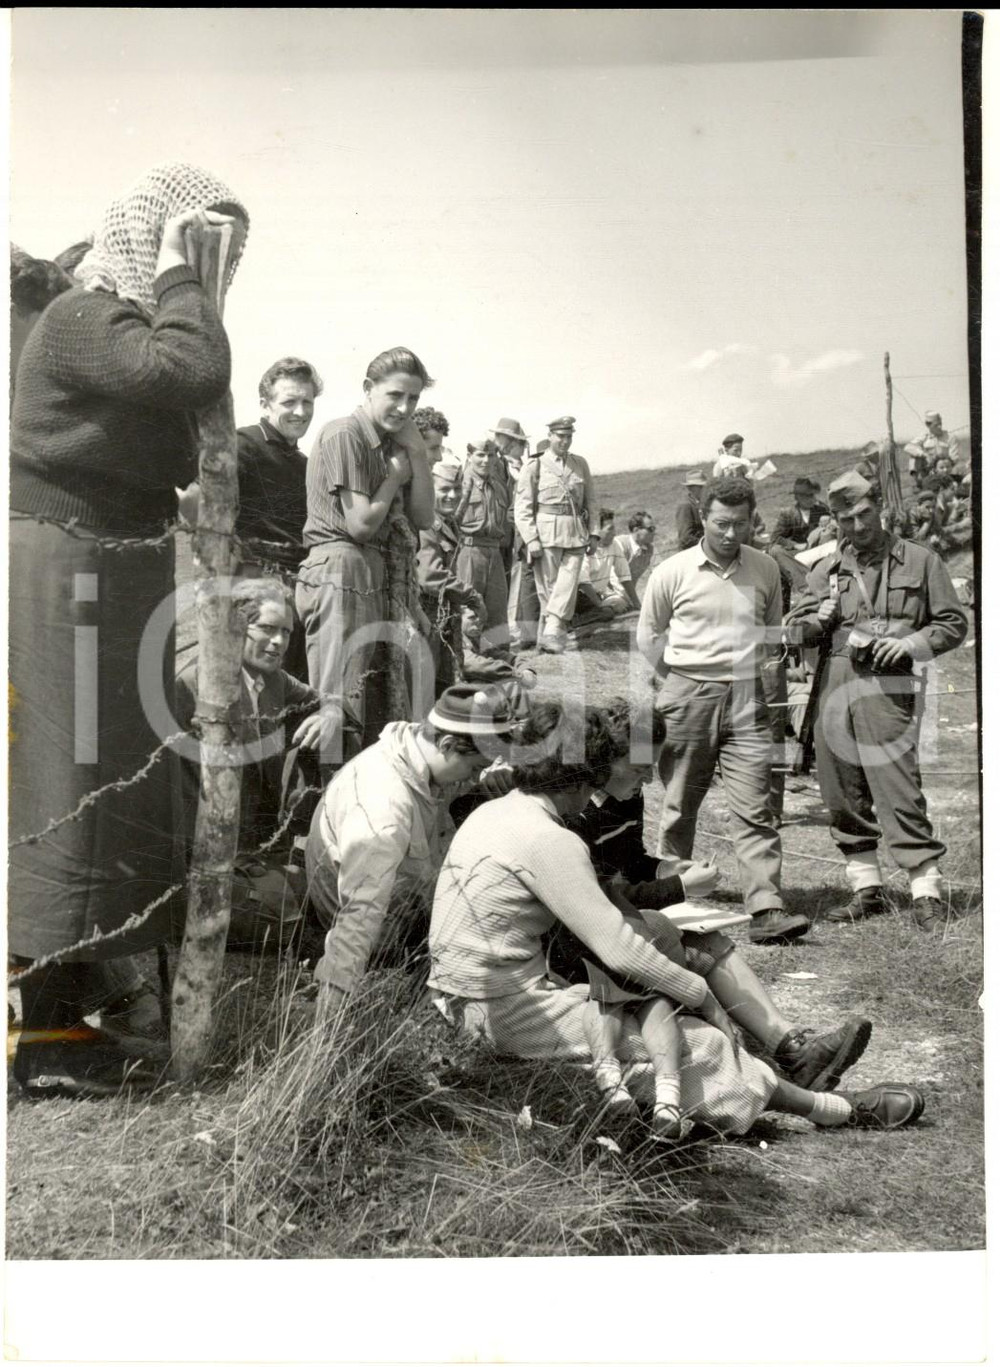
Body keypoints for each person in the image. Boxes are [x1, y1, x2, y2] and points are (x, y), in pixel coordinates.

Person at [9, 162, 249, 1097]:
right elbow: (188, 367)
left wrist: (189, 289)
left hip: (116, 569)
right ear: (146, 239)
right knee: (62, 793)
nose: (208, 265)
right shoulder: (83, 318)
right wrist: (187, 280)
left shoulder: (127, 327)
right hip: (66, 566)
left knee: (113, 791)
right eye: (195, 240)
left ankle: (77, 1015)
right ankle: (41, 1033)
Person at [428, 702, 925, 1135]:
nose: (596, 795)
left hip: (463, 998)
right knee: (698, 1042)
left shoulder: (497, 813)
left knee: (647, 1019)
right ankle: (829, 1110)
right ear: (581, 777)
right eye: (597, 778)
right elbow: (618, 946)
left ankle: (780, 1084)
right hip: (496, 1013)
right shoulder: (549, 839)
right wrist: (701, 994)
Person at [551, 700, 874, 1103]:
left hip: (613, 925)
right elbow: (598, 897)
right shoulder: (576, 813)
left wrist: (668, 868)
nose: (648, 780)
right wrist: (681, 889)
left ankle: (792, 1047)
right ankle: (789, 1054)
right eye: (637, 769)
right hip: (579, 945)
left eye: (651, 767)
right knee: (702, 945)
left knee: (707, 941)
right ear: (604, 764)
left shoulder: (624, 797)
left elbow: (630, 862)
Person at [786, 471, 968, 930]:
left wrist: (911, 644)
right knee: (840, 789)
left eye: (865, 514)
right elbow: (796, 628)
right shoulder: (825, 568)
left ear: (880, 508)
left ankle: (926, 890)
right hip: (834, 680)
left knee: (897, 786)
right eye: (846, 518)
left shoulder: (920, 561)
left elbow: (951, 623)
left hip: (889, 684)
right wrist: (816, 620)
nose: (858, 525)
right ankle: (866, 888)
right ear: (835, 519)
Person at [636, 476, 809, 945]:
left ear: (754, 520)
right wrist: (678, 679)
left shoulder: (766, 568)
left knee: (756, 806)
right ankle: (672, 903)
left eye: (741, 524)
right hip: (689, 694)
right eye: (721, 524)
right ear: (704, 517)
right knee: (680, 805)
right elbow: (649, 636)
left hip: (749, 697)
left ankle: (767, 908)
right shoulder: (673, 571)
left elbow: (772, 630)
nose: (731, 534)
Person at [307, 683, 524, 1013]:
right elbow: (360, 912)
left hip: (407, 894)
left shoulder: (421, 748)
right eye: (475, 768)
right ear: (448, 744)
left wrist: (489, 778)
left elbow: (459, 772)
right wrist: (332, 1005)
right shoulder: (384, 804)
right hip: (380, 927)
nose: (473, 778)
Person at [296, 347, 435, 763]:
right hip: (341, 567)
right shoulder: (345, 434)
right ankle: (322, 816)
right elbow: (359, 524)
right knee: (337, 705)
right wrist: (394, 476)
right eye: (394, 395)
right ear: (368, 389)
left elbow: (424, 517)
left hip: (369, 574)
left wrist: (418, 455)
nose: (404, 407)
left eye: (413, 399)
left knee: (367, 705)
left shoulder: (392, 444)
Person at [174, 579, 330, 859]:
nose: (280, 642)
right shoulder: (193, 686)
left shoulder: (274, 679)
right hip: (208, 853)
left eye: (286, 632)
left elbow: (326, 700)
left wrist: (330, 713)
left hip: (262, 846)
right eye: (268, 629)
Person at [514, 415, 594, 654]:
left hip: (576, 532)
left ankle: (549, 633)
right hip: (546, 533)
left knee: (567, 584)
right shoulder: (535, 465)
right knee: (548, 589)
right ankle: (549, 638)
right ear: (549, 436)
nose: (565, 441)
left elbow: (592, 501)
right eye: (560, 436)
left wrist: (595, 533)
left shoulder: (580, 464)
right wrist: (531, 538)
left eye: (569, 436)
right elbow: (522, 506)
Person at [416, 460, 487, 696]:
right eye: (444, 489)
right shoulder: (425, 524)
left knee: (444, 680)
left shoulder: (447, 524)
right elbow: (430, 575)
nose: (452, 495)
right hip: (426, 616)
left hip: (444, 616)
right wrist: (470, 595)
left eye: (456, 489)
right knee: (426, 683)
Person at [453, 435, 511, 650]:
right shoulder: (459, 483)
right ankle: (466, 665)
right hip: (468, 551)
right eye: (480, 455)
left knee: (497, 613)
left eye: (490, 455)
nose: (486, 460)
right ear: (470, 456)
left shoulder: (499, 485)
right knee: (469, 612)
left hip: (495, 553)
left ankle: (498, 664)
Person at [491, 418, 542, 652]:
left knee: (513, 580)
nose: (501, 442)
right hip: (499, 532)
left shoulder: (518, 466)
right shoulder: (495, 463)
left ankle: (512, 631)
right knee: (501, 582)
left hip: (514, 532)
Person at [770, 477, 830, 594]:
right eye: (808, 496)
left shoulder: (821, 509)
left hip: (817, 549)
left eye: (813, 495)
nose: (813, 499)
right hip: (796, 554)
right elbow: (775, 538)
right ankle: (804, 586)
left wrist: (828, 520)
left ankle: (811, 582)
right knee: (776, 550)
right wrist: (794, 545)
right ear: (798, 497)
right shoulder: (788, 513)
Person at [574, 508, 634, 623]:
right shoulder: (584, 547)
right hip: (579, 597)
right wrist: (600, 605)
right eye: (610, 529)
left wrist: (636, 604)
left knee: (621, 604)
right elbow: (583, 584)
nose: (615, 533)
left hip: (597, 595)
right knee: (607, 612)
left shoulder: (614, 545)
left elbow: (625, 576)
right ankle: (576, 620)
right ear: (597, 530)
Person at [903, 410, 960, 492]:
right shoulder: (924, 437)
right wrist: (924, 454)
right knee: (913, 456)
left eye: (940, 424)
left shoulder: (949, 437)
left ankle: (944, 483)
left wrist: (943, 465)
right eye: (936, 425)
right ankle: (919, 483)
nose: (940, 427)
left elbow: (954, 458)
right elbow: (908, 447)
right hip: (928, 470)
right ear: (928, 425)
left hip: (944, 469)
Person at [612, 511, 656, 609]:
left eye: (654, 528)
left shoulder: (650, 549)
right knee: (619, 605)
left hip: (626, 598)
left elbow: (660, 572)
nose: (654, 532)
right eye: (650, 529)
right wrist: (634, 602)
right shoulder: (619, 544)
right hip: (607, 593)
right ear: (636, 530)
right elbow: (615, 580)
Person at [675, 470, 707, 551]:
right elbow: (686, 537)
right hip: (690, 553)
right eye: (700, 487)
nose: (704, 489)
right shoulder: (685, 506)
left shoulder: (701, 504)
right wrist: (707, 545)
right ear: (690, 488)